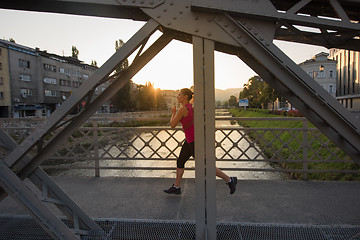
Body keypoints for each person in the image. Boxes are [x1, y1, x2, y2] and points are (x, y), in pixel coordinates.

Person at [164, 88, 237, 195]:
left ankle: (230, 180)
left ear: (185, 97)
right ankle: (176, 187)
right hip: (191, 139)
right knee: (180, 161)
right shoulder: (191, 107)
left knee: (205, 165)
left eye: (179, 95)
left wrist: (173, 113)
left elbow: (172, 125)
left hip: (193, 141)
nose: (177, 96)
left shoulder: (182, 109)